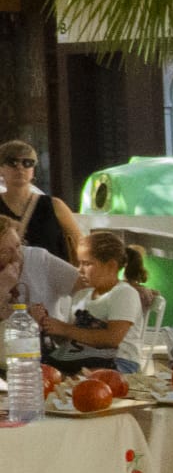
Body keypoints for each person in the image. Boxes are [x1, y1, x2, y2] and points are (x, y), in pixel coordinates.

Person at [39, 230, 148, 375]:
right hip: (80, 360)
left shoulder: (124, 293)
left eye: (87, 264)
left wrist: (65, 329)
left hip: (120, 363)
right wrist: (49, 326)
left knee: (81, 378)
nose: (80, 270)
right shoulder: (81, 295)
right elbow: (71, 338)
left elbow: (112, 339)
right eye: (79, 263)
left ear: (111, 266)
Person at [0, 219, 83, 342]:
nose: (17, 257)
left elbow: (88, 288)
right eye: (4, 252)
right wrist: (2, 288)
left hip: (49, 352)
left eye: (18, 246)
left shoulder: (38, 260)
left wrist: (71, 331)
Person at [0, 139, 81, 262]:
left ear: (33, 170)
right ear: (1, 168)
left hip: (51, 278)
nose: (20, 168)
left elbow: (80, 245)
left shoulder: (54, 205)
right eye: (13, 162)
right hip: (7, 279)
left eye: (28, 163)